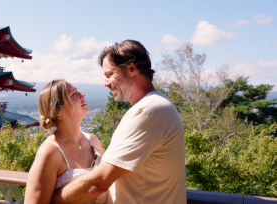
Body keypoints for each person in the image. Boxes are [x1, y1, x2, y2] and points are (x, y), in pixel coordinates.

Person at [51, 40, 186, 204]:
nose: (106, 83)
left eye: (110, 75)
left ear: (131, 69)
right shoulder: (158, 106)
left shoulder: (147, 112)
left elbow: (100, 182)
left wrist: (51, 199)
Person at [24, 79, 108, 204]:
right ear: (59, 111)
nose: (82, 95)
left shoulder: (93, 140)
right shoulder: (50, 152)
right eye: (74, 94)